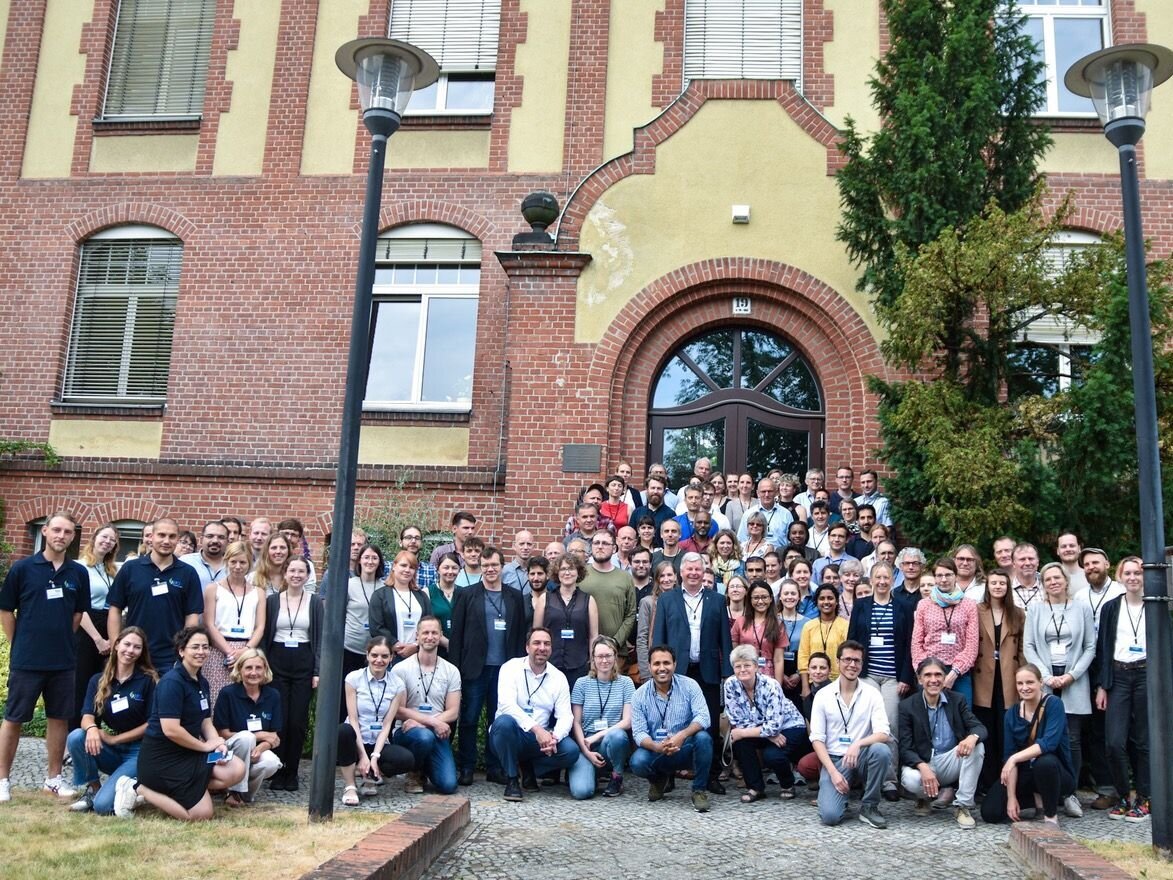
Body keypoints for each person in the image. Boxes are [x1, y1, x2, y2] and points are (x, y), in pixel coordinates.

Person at [0, 512, 91, 802]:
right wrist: (20, 643)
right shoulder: (23, 568)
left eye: (67, 532)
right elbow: (6, 611)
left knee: (59, 719)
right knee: (14, 719)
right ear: (46, 532)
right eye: (56, 530)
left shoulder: (78, 573)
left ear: (73, 537)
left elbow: (78, 614)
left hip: (63, 661)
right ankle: (2, 780)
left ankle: (53, 780)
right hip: (26, 659)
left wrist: (60, 639)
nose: (61, 536)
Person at [113, 626, 246, 820]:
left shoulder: (202, 682)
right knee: (201, 814)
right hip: (162, 760)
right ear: (182, 650)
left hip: (188, 754)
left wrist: (217, 742)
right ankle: (137, 788)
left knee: (236, 769)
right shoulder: (171, 682)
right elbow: (171, 730)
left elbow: (205, 721)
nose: (201, 652)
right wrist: (204, 746)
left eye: (205, 647)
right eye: (195, 647)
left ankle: (176, 791)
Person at [652, 552, 732, 795]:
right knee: (673, 724)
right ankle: (668, 776)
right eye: (690, 570)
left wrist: (727, 674)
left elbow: (725, 640)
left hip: (707, 671)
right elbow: (659, 637)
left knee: (708, 727)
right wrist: (658, 667)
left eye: (698, 570)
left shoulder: (717, 600)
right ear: (681, 573)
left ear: (704, 572)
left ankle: (710, 777)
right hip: (676, 672)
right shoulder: (667, 599)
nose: (694, 574)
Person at [448, 546, 527, 785]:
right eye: (485, 566)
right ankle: (467, 767)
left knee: (498, 718)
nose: (490, 570)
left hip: (505, 669)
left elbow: (520, 633)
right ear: (479, 567)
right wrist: (455, 670)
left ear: (502, 566)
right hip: (474, 667)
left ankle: (495, 767)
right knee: (470, 718)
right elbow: (456, 636)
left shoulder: (515, 596)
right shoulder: (466, 594)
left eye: (494, 565)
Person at [1022, 561, 1095, 819]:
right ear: (1043, 584)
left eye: (1057, 578)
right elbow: (1028, 646)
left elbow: (1090, 647)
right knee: (1044, 737)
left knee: (1072, 740)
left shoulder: (1082, 608)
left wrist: (1071, 675)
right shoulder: (1035, 609)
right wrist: (1045, 676)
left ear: (1066, 581)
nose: (1053, 582)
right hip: (1045, 681)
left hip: (1073, 680)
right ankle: (1048, 792)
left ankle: (1070, 792)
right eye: (1048, 579)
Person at [66, 627, 157, 814]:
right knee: (77, 736)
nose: (130, 650)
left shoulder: (148, 681)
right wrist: (91, 728)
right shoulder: (98, 680)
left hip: (138, 752)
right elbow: (86, 715)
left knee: (103, 807)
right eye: (127, 644)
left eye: (137, 647)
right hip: (112, 751)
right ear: (116, 645)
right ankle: (94, 789)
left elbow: (152, 724)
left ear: (142, 652)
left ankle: (135, 792)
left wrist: (114, 739)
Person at [846, 561, 914, 802]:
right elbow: (852, 640)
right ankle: (862, 775)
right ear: (871, 580)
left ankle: (889, 780)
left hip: (893, 677)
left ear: (892, 580)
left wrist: (906, 676)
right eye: (878, 577)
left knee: (890, 725)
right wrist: (851, 674)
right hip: (867, 675)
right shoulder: (861, 606)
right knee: (865, 724)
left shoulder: (904, 606)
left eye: (887, 577)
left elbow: (909, 645)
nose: (883, 582)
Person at [488, 627, 579, 801]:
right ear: (527, 647)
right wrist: (538, 730)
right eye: (536, 643)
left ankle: (528, 767)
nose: (542, 648)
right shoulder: (510, 668)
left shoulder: (558, 677)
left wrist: (555, 738)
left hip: (538, 741)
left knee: (571, 751)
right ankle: (512, 778)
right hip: (511, 734)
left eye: (547, 644)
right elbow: (506, 705)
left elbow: (566, 716)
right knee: (504, 723)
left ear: (551, 649)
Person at [809, 640, 892, 828]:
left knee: (881, 750)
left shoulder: (872, 694)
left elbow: (883, 733)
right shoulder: (823, 695)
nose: (852, 665)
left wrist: (857, 744)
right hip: (835, 759)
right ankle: (839, 795)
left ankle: (869, 807)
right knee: (830, 817)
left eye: (857, 661)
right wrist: (833, 772)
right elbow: (817, 739)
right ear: (838, 662)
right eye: (847, 659)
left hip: (861, 756)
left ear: (862, 664)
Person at [1092, 556, 1151, 821]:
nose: (1133, 577)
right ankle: (1124, 794)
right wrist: (1102, 686)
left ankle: (1145, 798)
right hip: (1118, 675)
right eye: (1127, 573)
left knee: (1144, 741)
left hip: (1146, 674)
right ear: (1120, 576)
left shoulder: (1156, 606)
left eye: (1137, 573)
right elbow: (1103, 649)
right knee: (1114, 742)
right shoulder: (1111, 607)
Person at [980, 664, 1076, 826]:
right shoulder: (1012, 713)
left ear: (1041, 683)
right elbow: (1009, 755)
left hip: (1056, 773)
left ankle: (1050, 816)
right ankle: (1033, 799)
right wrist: (1011, 798)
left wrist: (1014, 759)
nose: (1024, 688)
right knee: (991, 812)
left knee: (1045, 762)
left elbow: (1048, 744)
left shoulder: (1054, 704)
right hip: (1025, 773)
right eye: (1020, 683)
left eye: (1030, 682)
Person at [898, 656, 986, 828]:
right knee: (910, 778)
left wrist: (971, 737)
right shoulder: (907, 706)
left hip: (949, 760)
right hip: (924, 762)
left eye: (938, 675)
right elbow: (905, 748)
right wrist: (922, 766)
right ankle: (923, 799)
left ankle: (962, 806)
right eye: (928, 675)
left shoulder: (957, 700)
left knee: (978, 746)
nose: (933, 680)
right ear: (919, 679)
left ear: (945, 678)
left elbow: (980, 728)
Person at [108, 516, 203, 669]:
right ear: (151, 537)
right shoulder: (131, 568)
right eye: (161, 535)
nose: (166, 541)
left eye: (172, 536)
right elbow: (115, 609)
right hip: (134, 654)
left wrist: (184, 650)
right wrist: (116, 647)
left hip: (171, 658)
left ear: (177, 539)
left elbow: (191, 616)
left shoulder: (188, 573)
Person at [629, 645, 714, 812]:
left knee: (704, 738)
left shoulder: (690, 686)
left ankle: (699, 790)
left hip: (685, 747)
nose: (662, 668)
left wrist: (681, 736)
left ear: (674, 664)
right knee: (637, 762)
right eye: (657, 663)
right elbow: (638, 733)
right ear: (649, 666)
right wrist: (656, 747)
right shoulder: (639, 695)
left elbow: (704, 717)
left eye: (666, 663)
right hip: (656, 749)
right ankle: (659, 779)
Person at [262, 557, 321, 790]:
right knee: (280, 720)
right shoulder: (272, 601)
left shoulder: (315, 602)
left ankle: (292, 771)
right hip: (277, 661)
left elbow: (319, 639)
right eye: (292, 570)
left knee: (297, 721)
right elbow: (266, 634)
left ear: (307, 576)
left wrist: (317, 671)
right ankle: (278, 769)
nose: (296, 575)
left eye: (301, 571)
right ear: (285, 573)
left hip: (303, 662)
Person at [724, 644, 808, 802]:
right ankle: (755, 788)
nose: (742, 670)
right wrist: (767, 735)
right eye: (738, 666)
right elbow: (736, 719)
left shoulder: (771, 685)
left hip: (790, 725)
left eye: (747, 665)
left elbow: (774, 726)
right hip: (761, 728)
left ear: (756, 666)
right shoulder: (730, 685)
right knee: (741, 743)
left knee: (772, 755)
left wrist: (749, 732)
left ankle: (787, 784)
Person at [336, 636, 415, 806]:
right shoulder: (353, 678)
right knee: (343, 731)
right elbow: (354, 719)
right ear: (367, 655)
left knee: (406, 759)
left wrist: (374, 756)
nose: (379, 660)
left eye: (384, 656)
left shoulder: (397, 684)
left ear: (391, 658)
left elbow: (387, 724)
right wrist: (363, 755)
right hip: (356, 737)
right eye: (374, 655)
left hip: (379, 740)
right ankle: (350, 785)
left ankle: (370, 776)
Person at [392, 616, 461, 795]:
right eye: (425, 633)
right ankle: (414, 772)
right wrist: (431, 723)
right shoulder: (401, 669)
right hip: (408, 732)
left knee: (448, 785)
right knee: (423, 737)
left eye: (434, 633)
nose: (430, 637)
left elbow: (453, 711)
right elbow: (398, 711)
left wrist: (426, 722)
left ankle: (426, 766)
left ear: (440, 636)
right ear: (417, 636)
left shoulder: (451, 671)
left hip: (436, 732)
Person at [972, 567, 1024, 795]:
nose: (997, 587)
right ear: (987, 586)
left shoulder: (1018, 614)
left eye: (1002, 583)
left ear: (1007, 586)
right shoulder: (976, 611)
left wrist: (1023, 679)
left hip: (1008, 677)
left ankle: (1007, 781)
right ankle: (987, 783)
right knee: (987, 731)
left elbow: (1022, 649)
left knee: (1006, 730)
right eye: (993, 583)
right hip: (983, 677)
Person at [213, 649, 283, 806]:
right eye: (248, 668)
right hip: (229, 751)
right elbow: (222, 733)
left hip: (255, 752)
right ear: (239, 670)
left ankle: (244, 795)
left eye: (258, 668)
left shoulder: (273, 695)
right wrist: (259, 735)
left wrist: (261, 748)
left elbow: (273, 737)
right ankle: (234, 791)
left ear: (265, 670)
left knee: (271, 762)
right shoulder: (227, 693)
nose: (254, 673)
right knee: (246, 737)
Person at [569, 635, 635, 799]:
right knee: (581, 792)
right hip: (586, 745)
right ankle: (592, 771)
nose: (604, 660)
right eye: (600, 656)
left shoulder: (626, 683)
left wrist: (597, 736)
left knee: (618, 735)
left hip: (609, 742)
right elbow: (576, 722)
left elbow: (627, 721)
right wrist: (586, 750)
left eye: (608, 656)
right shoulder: (581, 683)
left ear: (615, 657)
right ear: (593, 658)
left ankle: (616, 776)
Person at [202, 540, 267, 705]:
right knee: (215, 697)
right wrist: (229, 652)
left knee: (242, 698)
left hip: (247, 650)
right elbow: (209, 624)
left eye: (243, 562)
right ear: (226, 561)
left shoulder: (258, 592)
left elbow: (260, 626)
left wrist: (245, 650)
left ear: (250, 564)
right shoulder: (213, 589)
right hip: (218, 649)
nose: (238, 566)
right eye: (233, 562)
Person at [910, 558, 979, 706]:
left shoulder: (969, 605)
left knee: (962, 718)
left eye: (948, 575)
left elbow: (972, 645)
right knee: (929, 718)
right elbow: (916, 642)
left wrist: (954, 673)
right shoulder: (924, 605)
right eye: (939, 575)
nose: (944, 579)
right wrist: (924, 671)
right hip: (930, 671)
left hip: (959, 672)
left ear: (955, 576)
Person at [72, 523, 119, 734]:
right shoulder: (80, 567)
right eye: (104, 537)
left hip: (106, 625)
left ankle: (94, 731)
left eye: (112, 539)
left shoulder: (111, 569)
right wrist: (98, 639)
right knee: (80, 684)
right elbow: (78, 608)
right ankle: (73, 737)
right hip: (86, 628)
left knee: (101, 683)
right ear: (94, 538)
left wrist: (111, 638)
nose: (107, 542)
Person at [534, 554, 599, 688]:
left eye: (571, 568)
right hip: (549, 664)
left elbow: (593, 636)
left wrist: (593, 664)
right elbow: (536, 633)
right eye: (563, 569)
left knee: (576, 706)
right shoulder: (545, 599)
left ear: (578, 572)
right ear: (557, 573)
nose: (567, 572)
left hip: (579, 665)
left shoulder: (589, 600)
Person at [370, 551, 432, 664]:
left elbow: (429, 624)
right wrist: (395, 644)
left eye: (412, 567)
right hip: (390, 656)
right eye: (403, 565)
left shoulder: (422, 596)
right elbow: (376, 626)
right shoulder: (380, 595)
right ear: (394, 566)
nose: (407, 570)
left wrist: (415, 646)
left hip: (417, 656)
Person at [342, 543, 384, 684]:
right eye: (366, 557)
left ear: (379, 562)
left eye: (374, 558)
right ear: (359, 560)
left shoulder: (384, 588)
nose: (370, 562)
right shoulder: (348, 585)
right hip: (349, 648)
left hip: (376, 652)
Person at [798, 585, 849, 695]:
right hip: (813, 684)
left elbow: (847, 657)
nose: (826, 602)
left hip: (838, 683)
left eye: (830, 598)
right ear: (816, 602)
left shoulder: (845, 626)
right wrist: (805, 687)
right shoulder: (809, 626)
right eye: (822, 598)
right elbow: (803, 657)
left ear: (836, 601)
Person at [731, 581, 785, 682]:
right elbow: (734, 654)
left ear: (771, 598)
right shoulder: (740, 622)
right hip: (744, 673)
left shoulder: (778, 624)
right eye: (756, 598)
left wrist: (778, 687)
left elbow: (778, 660)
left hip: (769, 677)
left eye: (764, 597)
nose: (760, 601)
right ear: (750, 600)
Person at [636, 562, 677, 682]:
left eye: (669, 575)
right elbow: (642, 638)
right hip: (655, 664)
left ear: (675, 577)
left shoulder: (683, 602)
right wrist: (645, 672)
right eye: (662, 576)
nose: (666, 579)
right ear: (657, 580)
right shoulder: (647, 602)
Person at [180, 520, 229, 590]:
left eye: (221, 537)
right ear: (201, 539)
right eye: (210, 536)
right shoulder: (186, 562)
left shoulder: (234, 566)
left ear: (227, 541)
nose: (215, 541)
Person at [428, 552, 462, 652]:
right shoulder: (427, 593)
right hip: (434, 648)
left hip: (459, 650)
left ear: (459, 570)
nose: (450, 571)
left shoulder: (464, 594)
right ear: (438, 569)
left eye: (454, 568)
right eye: (446, 567)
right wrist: (446, 643)